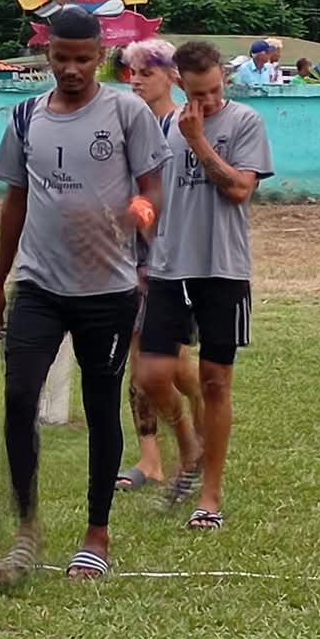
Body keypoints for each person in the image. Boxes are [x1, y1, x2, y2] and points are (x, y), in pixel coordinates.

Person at [0, 7, 169, 579]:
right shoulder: (24, 117)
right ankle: (25, 529)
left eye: (83, 59)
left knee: (99, 404)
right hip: (38, 284)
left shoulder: (127, 112)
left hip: (107, 289)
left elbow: (151, 193)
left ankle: (97, 532)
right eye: (61, 58)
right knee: (19, 399)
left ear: (100, 55)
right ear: (47, 54)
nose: (71, 69)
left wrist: (134, 223)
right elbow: (15, 201)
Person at [137, 41, 274, 529]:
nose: (211, 99)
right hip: (170, 266)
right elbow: (150, 191)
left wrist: (198, 141)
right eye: (200, 92)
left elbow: (239, 188)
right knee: (151, 375)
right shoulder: (161, 127)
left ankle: (209, 496)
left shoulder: (244, 122)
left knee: (216, 383)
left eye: (216, 89)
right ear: (179, 83)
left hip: (223, 269)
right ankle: (188, 445)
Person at [116, 38, 204, 490]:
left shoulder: (180, 127)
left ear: (172, 75)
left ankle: (203, 412)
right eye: (132, 71)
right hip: (127, 257)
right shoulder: (125, 125)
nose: (136, 79)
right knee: (140, 361)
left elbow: (180, 195)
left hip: (171, 259)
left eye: (146, 72)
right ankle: (149, 458)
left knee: (171, 365)